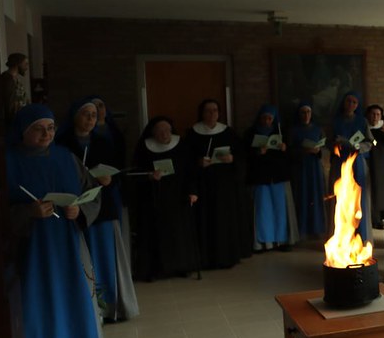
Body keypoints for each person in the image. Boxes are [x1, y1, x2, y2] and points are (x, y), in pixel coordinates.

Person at [6, 104, 105, 338]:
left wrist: (79, 210)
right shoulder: (7, 162)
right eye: (38, 129)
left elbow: (91, 192)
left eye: (50, 128)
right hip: (30, 249)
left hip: (66, 242)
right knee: (35, 304)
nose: (46, 134)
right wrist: (27, 212)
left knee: (72, 297)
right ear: (22, 131)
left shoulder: (66, 157)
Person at [56, 97, 139, 320]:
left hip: (103, 207)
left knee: (105, 257)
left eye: (94, 115)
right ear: (74, 116)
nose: (91, 119)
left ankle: (110, 307)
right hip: (74, 209)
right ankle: (88, 310)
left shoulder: (103, 142)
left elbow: (117, 171)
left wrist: (109, 179)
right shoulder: (61, 144)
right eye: (86, 114)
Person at [131, 116, 200, 280]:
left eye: (167, 130)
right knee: (154, 235)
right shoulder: (144, 147)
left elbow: (191, 171)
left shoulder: (181, 145)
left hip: (178, 198)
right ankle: (155, 269)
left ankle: (182, 266)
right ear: (153, 133)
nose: (164, 134)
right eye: (160, 131)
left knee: (179, 234)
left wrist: (193, 191)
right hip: (153, 199)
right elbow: (135, 172)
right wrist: (149, 176)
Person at [185, 98, 243, 269]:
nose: (212, 114)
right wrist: (198, 162)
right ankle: (206, 259)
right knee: (205, 221)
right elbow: (185, 160)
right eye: (208, 111)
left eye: (215, 110)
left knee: (224, 220)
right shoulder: (192, 133)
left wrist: (232, 159)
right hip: (203, 185)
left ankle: (226, 257)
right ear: (201, 113)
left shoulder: (228, 132)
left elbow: (241, 155)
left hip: (224, 186)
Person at [244, 104, 298, 251]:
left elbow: (292, 155)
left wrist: (285, 149)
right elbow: (244, 154)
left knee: (280, 210)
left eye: (270, 118)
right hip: (260, 177)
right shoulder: (250, 133)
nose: (267, 121)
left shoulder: (281, 132)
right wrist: (257, 152)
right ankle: (263, 243)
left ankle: (281, 241)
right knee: (263, 211)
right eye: (264, 118)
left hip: (279, 176)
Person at [329, 91, 371, 234]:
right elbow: (327, 141)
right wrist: (335, 145)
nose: (351, 104)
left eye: (354, 102)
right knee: (339, 196)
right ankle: (339, 234)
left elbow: (371, 142)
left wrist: (358, 146)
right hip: (339, 161)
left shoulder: (362, 122)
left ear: (357, 105)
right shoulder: (335, 121)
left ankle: (361, 234)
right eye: (348, 101)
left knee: (358, 196)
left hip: (357, 162)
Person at [288, 101, 327, 239]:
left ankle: (317, 229)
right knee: (302, 196)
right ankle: (302, 229)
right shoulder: (293, 130)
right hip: (301, 168)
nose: (306, 115)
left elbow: (324, 148)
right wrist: (304, 151)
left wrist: (318, 150)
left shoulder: (318, 130)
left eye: (308, 112)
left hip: (315, 167)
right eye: (303, 112)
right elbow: (289, 151)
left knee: (316, 196)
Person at [365, 103, 384, 229]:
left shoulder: (383, 128)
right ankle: (372, 218)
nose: (375, 117)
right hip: (367, 162)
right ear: (368, 115)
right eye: (373, 114)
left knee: (382, 189)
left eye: (378, 114)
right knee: (370, 189)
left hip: (381, 163)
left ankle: (383, 218)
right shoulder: (364, 128)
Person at [1, 52, 30, 120]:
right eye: (25, 64)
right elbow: (9, 105)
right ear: (18, 64)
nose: (27, 67)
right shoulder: (7, 80)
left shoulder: (15, 79)